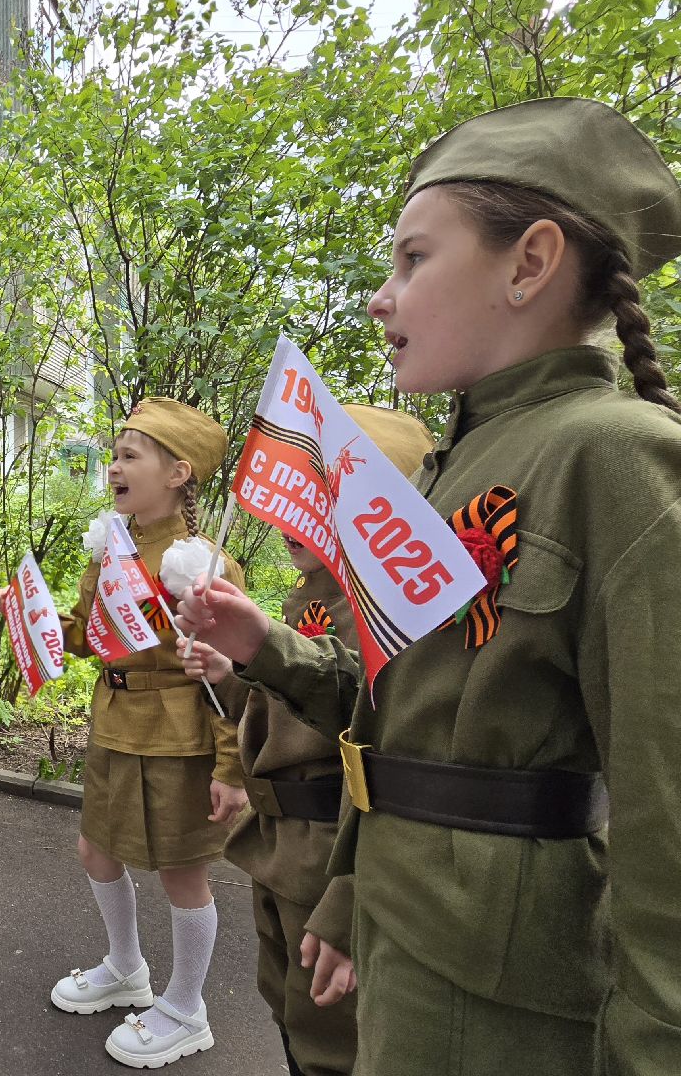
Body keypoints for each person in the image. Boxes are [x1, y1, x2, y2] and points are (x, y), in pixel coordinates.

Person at [174, 98, 681, 1074]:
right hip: (411, 945)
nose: (381, 295)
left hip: (510, 998)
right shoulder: (454, 468)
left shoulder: (616, 457)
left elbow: (666, 816)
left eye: (414, 259)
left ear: (529, 264)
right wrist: (358, 888)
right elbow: (397, 716)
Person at [181, 405, 432, 1076]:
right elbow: (285, 713)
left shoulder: (384, 605)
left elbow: (385, 741)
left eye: (316, 497)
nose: (287, 514)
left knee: (335, 1041)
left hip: (331, 851)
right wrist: (231, 674)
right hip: (283, 846)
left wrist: (349, 891)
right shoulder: (309, 593)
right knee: (292, 1014)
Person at [42, 398, 249, 1070]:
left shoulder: (203, 563)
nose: (113, 467)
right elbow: (89, 637)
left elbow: (229, 676)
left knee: (183, 875)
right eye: (115, 454)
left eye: (130, 455)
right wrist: (37, 618)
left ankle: (186, 1008)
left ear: (179, 471)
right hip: (114, 725)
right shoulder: (111, 544)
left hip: (180, 736)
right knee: (96, 852)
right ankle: (126, 969)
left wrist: (230, 768)